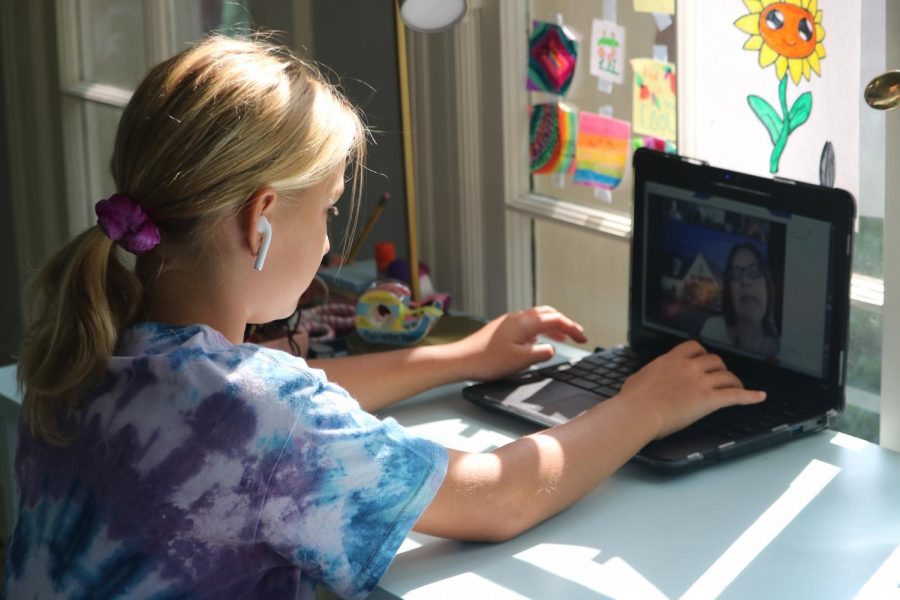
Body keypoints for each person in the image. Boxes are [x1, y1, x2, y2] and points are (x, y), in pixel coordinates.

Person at [4, 35, 764, 599]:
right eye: (330, 210)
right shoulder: (260, 413)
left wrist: (462, 356)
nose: (332, 240)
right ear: (259, 218)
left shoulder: (90, 344)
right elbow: (497, 496)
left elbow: (282, 398)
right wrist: (644, 407)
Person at [700, 242, 780, 357]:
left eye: (754, 270)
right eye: (736, 273)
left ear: (766, 283)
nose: (745, 281)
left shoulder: (781, 347)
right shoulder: (712, 330)